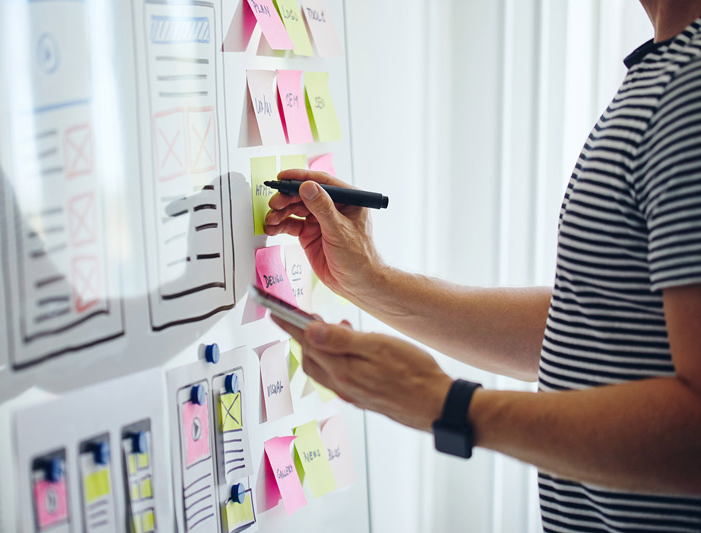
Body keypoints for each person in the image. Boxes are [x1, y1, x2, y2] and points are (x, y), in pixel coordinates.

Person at [264, 1, 701, 531]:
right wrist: (373, 282)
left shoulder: (689, 91)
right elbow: (600, 325)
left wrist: (448, 405)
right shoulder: (667, 68)